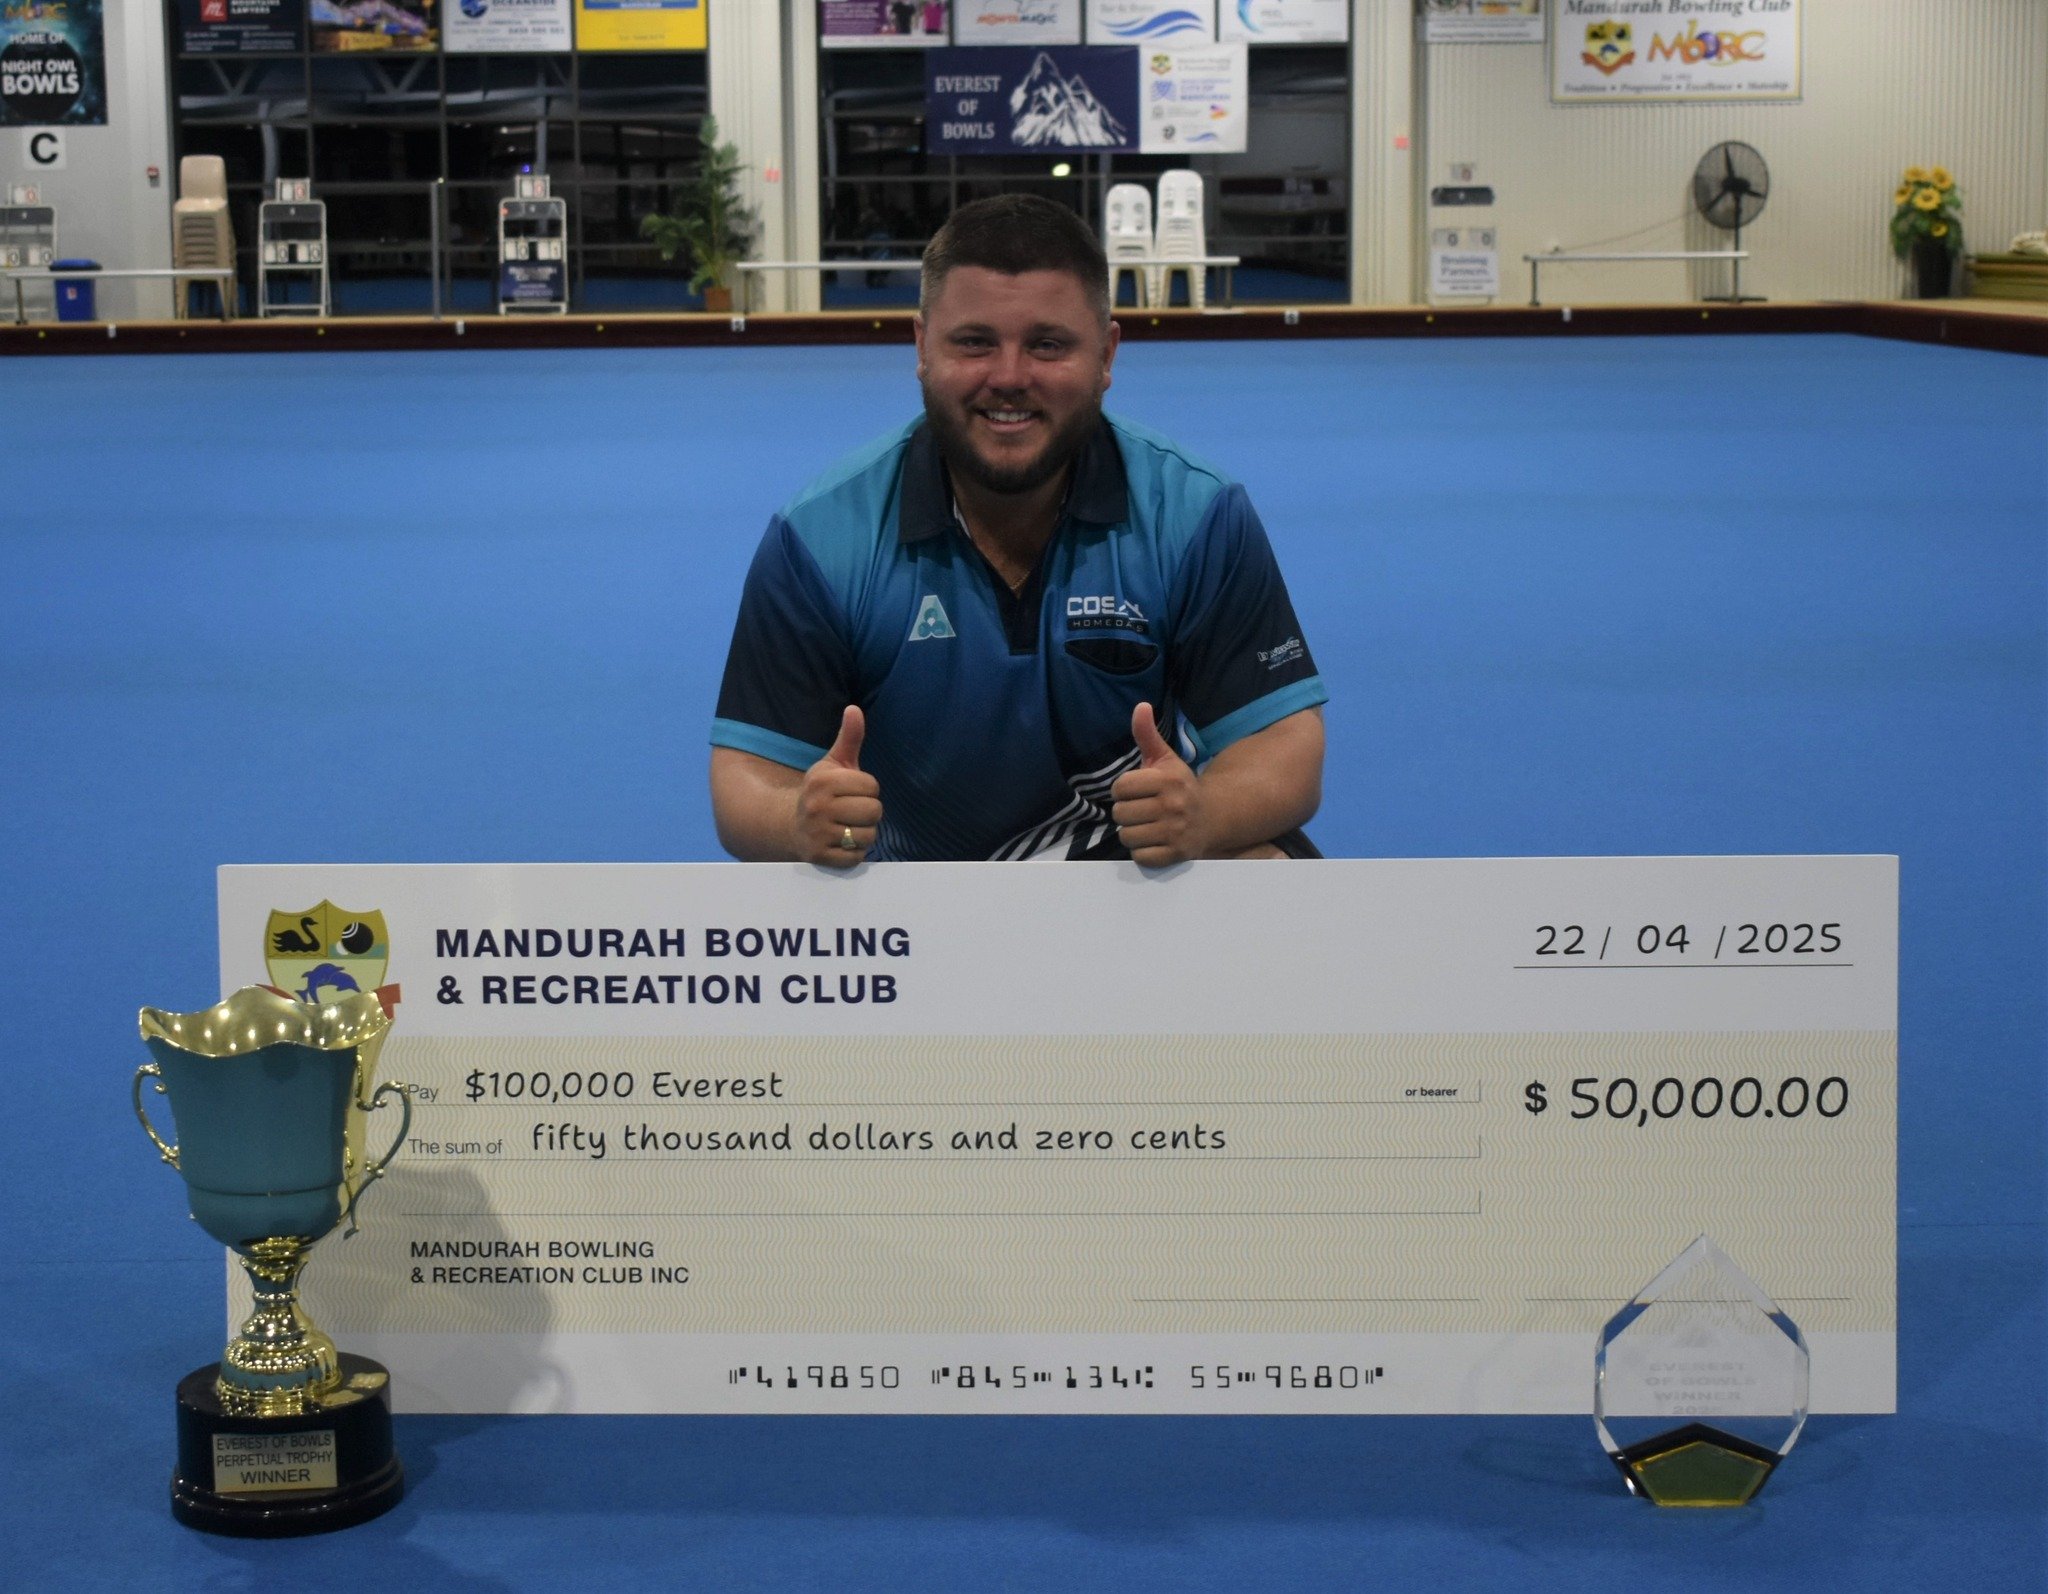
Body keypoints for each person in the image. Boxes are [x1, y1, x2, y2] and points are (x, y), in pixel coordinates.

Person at [709, 193, 1326, 866]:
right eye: (975, 342)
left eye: (1047, 345)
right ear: (920, 347)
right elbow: (746, 781)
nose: (1009, 377)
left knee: (1269, 864)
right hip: (911, 906)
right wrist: (799, 821)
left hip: (1127, 881)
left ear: (1107, 354)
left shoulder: (1195, 514)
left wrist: (1205, 815)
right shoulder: (822, 537)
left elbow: (1284, 745)